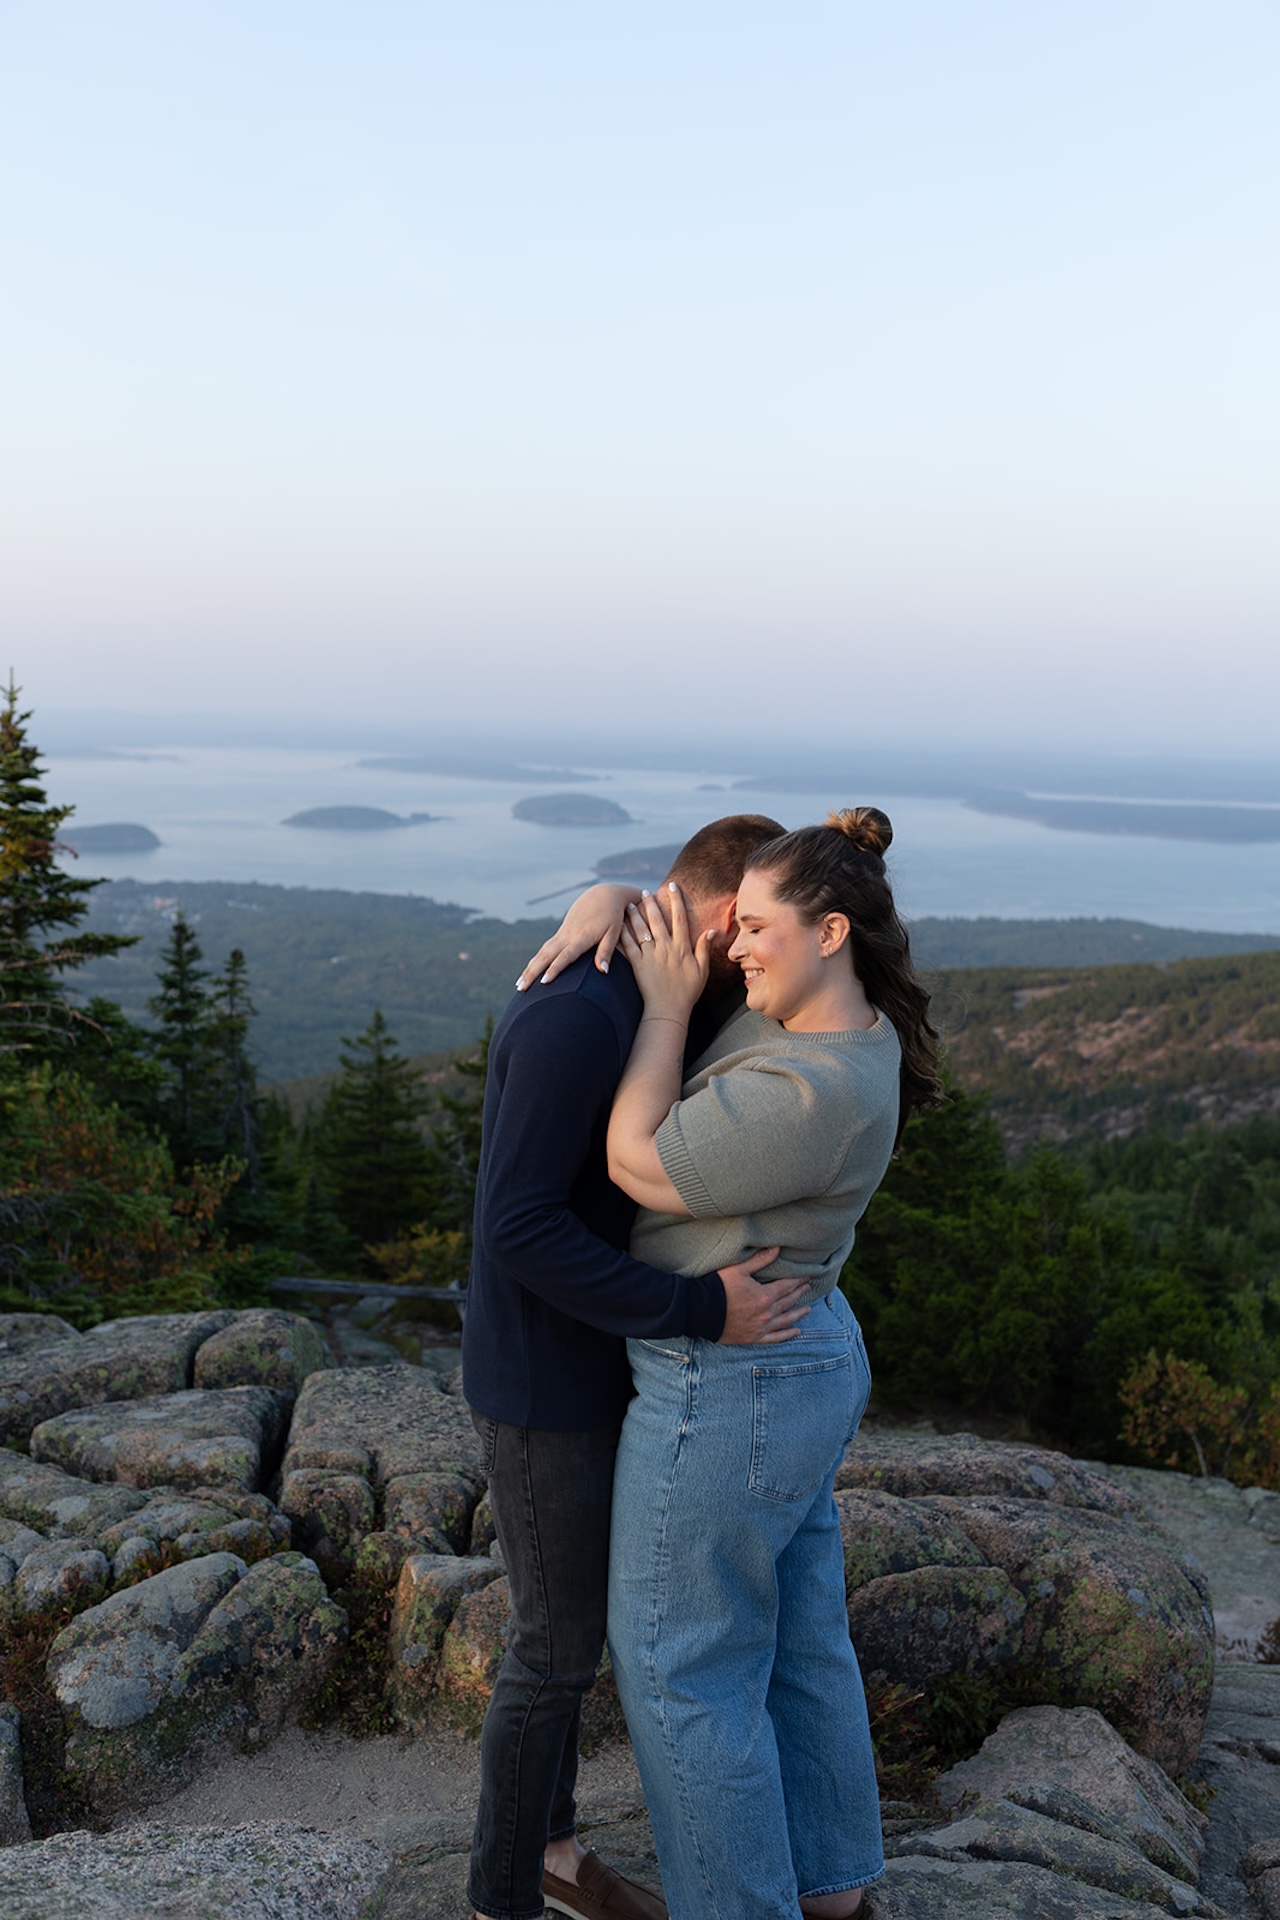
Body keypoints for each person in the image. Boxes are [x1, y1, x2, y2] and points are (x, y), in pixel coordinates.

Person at [462, 812, 815, 1920]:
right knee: (552, 1650)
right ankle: (499, 1896)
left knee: (574, 1635)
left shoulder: (650, 992)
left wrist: (608, 890)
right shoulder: (580, 1015)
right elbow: (519, 1226)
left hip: (602, 1363)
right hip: (542, 1384)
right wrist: (699, 1308)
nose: (758, 953)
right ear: (716, 921)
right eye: (750, 928)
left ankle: (557, 1855)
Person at [600, 807, 942, 1920]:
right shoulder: (830, 1023)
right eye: (730, 923)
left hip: (735, 1382)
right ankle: (833, 1887)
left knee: (677, 1662)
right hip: (796, 1361)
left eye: (753, 928)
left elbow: (638, 1163)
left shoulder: (816, 1089)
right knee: (796, 1638)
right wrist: (600, 903)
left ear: (829, 931)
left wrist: (657, 1011)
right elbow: (685, 916)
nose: (728, 948)